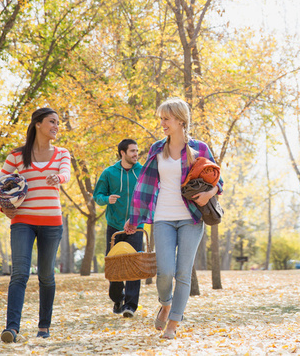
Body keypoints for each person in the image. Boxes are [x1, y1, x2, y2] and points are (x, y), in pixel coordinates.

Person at [124, 97, 223, 339]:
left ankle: (173, 323)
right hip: (163, 217)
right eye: (162, 119)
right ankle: (166, 303)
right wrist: (134, 218)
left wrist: (207, 193)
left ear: (180, 120)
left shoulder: (200, 149)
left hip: (191, 218)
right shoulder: (158, 148)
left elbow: (218, 182)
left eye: (166, 119)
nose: (162, 123)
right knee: (165, 271)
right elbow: (144, 185)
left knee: (183, 272)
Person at [0, 108, 71, 343]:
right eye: (52, 122)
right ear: (38, 124)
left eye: (58, 123)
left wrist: (57, 178)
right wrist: (4, 207)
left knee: (46, 276)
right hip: (22, 221)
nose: (56, 126)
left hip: (51, 222)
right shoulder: (17, 155)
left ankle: (44, 326)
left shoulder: (61, 153)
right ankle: (12, 328)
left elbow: (65, 174)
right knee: (19, 273)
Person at [94, 139, 144, 318]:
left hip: (136, 226)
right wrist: (107, 199)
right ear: (122, 153)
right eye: (132, 151)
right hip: (114, 226)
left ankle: (130, 305)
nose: (136, 154)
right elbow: (97, 196)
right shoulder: (109, 173)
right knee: (114, 267)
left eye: (137, 151)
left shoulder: (142, 172)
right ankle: (117, 298)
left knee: (135, 265)